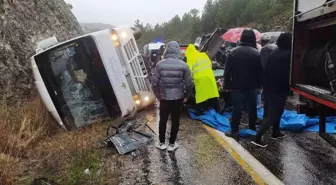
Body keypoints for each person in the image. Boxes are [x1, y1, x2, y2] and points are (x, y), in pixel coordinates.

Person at [251, 32, 292, 148]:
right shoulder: (288, 55)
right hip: (279, 88)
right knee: (275, 113)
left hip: (269, 86)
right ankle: (258, 137)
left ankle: (276, 132)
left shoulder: (275, 53)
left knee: (272, 111)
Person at [151, 41, 193, 152]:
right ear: (178, 50)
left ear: (167, 50)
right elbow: (189, 84)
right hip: (178, 98)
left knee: (163, 120)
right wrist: (186, 96)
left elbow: (154, 83)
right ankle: (172, 144)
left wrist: (158, 95)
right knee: (175, 121)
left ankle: (161, 143)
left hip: (164, 98)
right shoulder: (184, 65)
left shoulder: (160, 64)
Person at [224, 29, 263, 141]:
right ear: (252, 39)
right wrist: (260, 85)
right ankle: (252, 127)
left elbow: (227, 72)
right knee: (252, 108)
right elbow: (261, 71)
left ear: (241, 38)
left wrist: (227, 85)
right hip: (252, 86)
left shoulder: (233, 52)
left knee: (236, 109)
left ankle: (234, 131)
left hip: (237, 86)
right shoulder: (257, 53)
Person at [185, 44, 220, 115]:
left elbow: (189, 70)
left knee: (201, 97)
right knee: (213, 95)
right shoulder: (203, 55)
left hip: (199, 79)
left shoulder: (190, 58)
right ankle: (218, 110)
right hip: (210, 77)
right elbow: (210, 64)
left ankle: (199, 111)